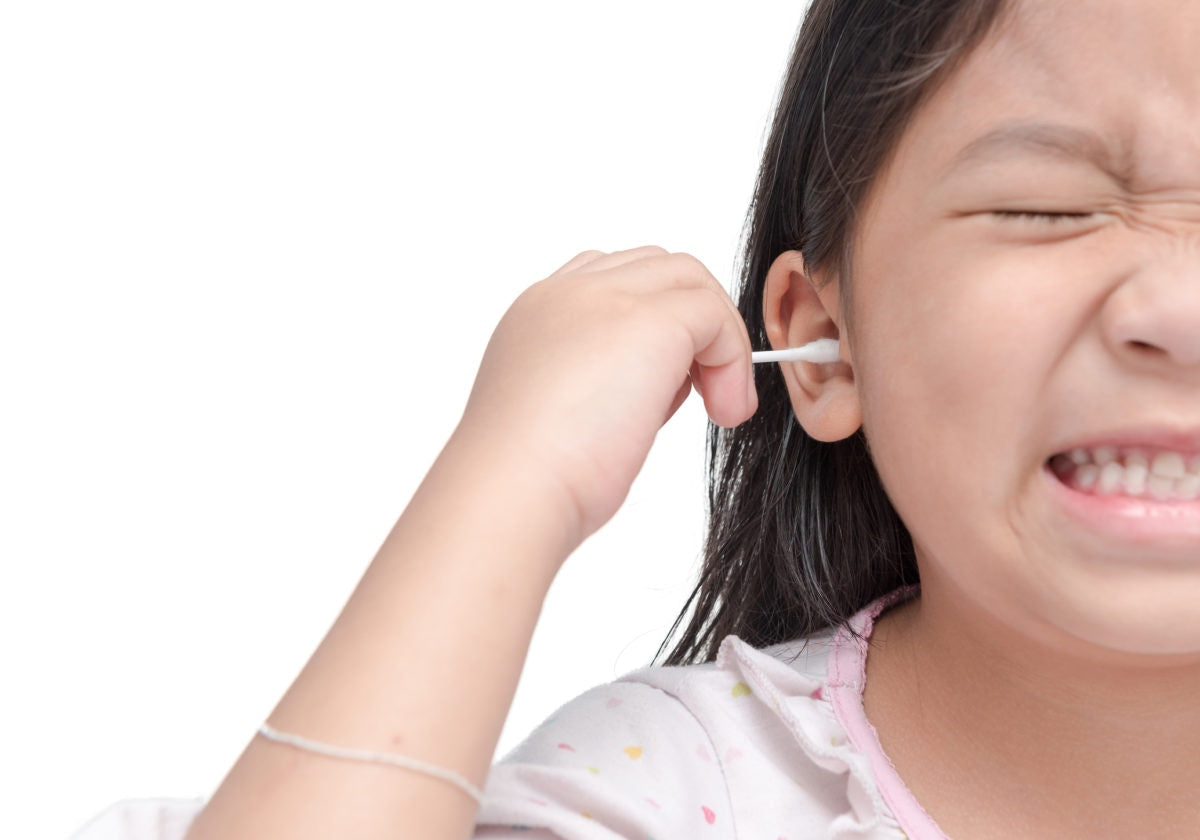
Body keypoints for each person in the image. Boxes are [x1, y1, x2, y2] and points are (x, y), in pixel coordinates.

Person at [74, 0, 1200, 837]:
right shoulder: (673, 792)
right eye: (1045, 209)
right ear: (823, 344)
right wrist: (514, 478)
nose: (1176, 313)